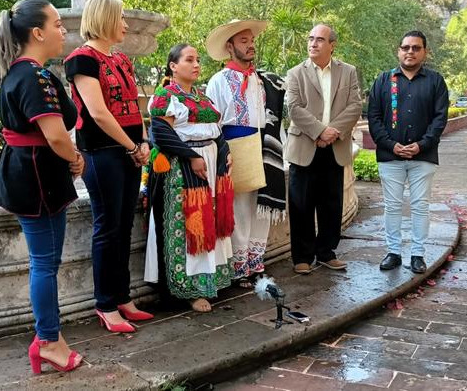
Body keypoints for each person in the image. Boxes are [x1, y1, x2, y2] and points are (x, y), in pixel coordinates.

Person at [0, 0, 84, 374]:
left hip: (37, 172)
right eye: (58, 24)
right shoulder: (32, 76)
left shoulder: (25, 73)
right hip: (37, 176)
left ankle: (47, 336)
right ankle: (48, 341)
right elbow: (56, 136)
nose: (63, 30)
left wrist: (68, 155)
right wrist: (74, 157)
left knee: (49, 260)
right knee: (44, 262)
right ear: (38, 32)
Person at [63, 0, 152, 334]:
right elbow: (98, 113)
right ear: (104, 20)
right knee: (107, 227)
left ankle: (122, 297)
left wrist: (142, 143)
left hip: (130, 151)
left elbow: (133, 106)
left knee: (125, 224)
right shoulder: (80, 60)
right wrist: (132, 146)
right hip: (102, 153)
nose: (126, 25)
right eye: (121, 19)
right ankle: (105, 304)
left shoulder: (122, 61)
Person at [143, 44, 235, 313]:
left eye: (197, 60)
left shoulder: (201, 97)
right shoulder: (165, 96)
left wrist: (225, 152)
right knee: (188, 226)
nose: (196, 65)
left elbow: (216, 131)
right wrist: (191, 157)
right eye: (189, 60)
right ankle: (188, 289)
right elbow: (160, 133)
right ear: (173, 66)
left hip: (208, 167)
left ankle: (210, 281)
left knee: (209, 222)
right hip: (181, 170)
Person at [205, 20, 288, 288]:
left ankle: (255, 262)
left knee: (262, 206)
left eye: (251, 40)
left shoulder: (263, 81)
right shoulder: (218, 81)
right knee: (238, 208)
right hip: (235, 146)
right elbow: (212, 122)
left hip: (264, 147)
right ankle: (239, 267)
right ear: (229, 47)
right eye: (243, 41)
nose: (251, 45)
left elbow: (273, 118)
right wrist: (220, 154)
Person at [367, 30, 449, 274]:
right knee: (392, 206)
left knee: (420, 205)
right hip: (390, 156)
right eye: (406, 47)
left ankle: (417, 254)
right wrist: (391, 145)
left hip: (422, 157)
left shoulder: (435, 81)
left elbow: (439, 118)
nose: (410, 52)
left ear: (425, 52)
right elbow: (373, 117)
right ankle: (393, 252)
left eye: (416, 48)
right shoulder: (383, 81)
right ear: (398, 51)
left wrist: (421, 144)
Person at [284, 24, 362, 275]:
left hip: (335, 146)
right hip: (304, 146)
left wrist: (332, 132)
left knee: (331, 203)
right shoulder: (296, 73)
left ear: (332, 45)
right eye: (310, 39)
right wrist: (319, 131)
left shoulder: (347, 72)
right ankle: (302, 256)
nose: (313, 44)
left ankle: (327, 252)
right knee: (301, 204)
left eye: (319, 40)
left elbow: (354, 106)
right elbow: (294, 108)